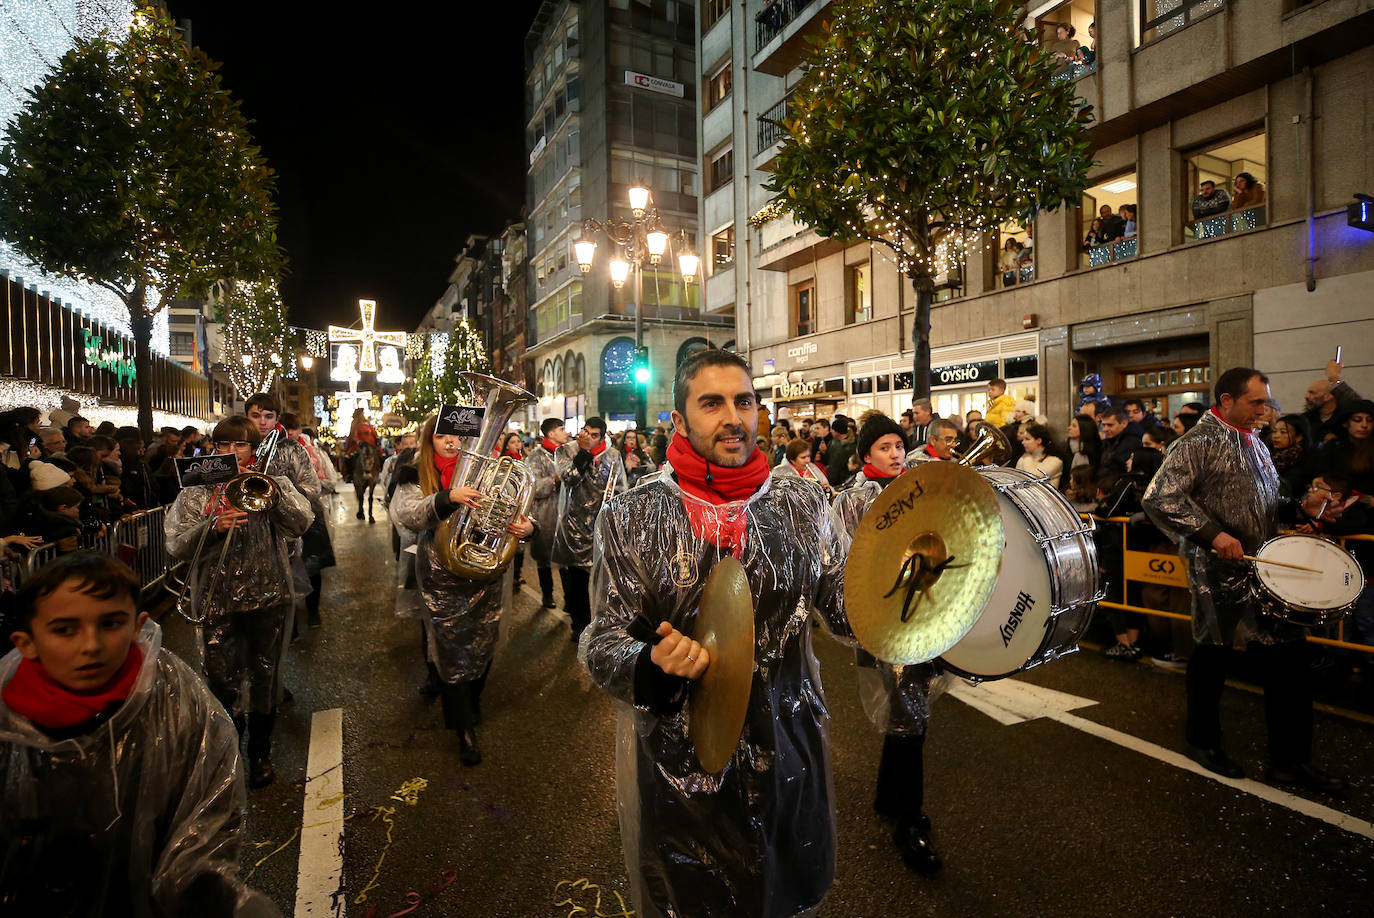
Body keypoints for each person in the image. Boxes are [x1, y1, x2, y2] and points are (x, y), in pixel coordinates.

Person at [581, 349, 854, 917]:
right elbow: (601, 639)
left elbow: (848, 608)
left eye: (745, 401)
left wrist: (912, 597)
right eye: (713, 403)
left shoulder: (803, 503)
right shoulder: (634, 516)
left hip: (790, 749)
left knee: (786, 892)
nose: (734, 417)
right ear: (679, 421)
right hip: (685, 768)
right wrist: (651, 664)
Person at [0, 552, 277, 914]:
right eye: (65, 630)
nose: (91, 646)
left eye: (111, 624)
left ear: (137, 625)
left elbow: (204, 827)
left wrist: (211, 897)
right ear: (26, 642)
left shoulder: (178, 703)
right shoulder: (10, 728)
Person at [1142, 367, 1347, 793]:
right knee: (1212, 655)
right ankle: (1202, 741)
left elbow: (1266, 502)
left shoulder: (1254, 442)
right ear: (1228, 400)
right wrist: (1213, 535)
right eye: (1257, 402)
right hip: (1216, 569)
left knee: (1289, 659)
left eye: (1267, 401)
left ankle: (1290, 760)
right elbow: (1159, 497)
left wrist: (1301, 506)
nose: (1266, 410)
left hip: (1264, 564)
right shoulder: (1195, 442)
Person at [165, 416, 313, 788]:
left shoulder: (272, 481)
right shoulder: (197, 491)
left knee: (266, 677)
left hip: (270, 597)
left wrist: (274, 497)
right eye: (223, 446)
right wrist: (211, 527)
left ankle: (260, 753)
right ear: (213, 449)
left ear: (253, 447)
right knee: (221, 681)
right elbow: (175, 544)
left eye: (240, 445)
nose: (231, 453)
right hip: (218, 600)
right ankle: (227, 754)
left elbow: (302, 523)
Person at [832, 413, 944, 875]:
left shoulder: (915, 486)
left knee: (908, 709)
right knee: (910, 713)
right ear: (865, 455)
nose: (896, 453)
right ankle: (908, 819)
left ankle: (887, 796)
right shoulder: (854, 498)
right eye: (884, 447)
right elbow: (841, 562)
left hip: (923, 609)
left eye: (899, 445)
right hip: (885, 619)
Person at [390, 414, 535, 766]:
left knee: (484, 642)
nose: (451, 442)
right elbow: (407, 514)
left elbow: (513, 506)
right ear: (430, 441)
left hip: (485, 570)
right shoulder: (413, 471)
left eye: (457, 436)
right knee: (451, 648)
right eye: (442, 436)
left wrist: (529, 526)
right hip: (441, 574)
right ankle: (462, 728)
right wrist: (448, 496)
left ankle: (473, 699)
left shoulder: (489, 471)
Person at [552, 417, 625, 643]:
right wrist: (584, 453)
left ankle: (605, 623)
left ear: (602, 437)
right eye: (586, 432)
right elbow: (569, 479)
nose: (589, 438)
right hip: (574, 525)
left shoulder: (612, 456)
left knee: (605, 578)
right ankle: (579, 622)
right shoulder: (566, 451)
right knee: (577, 580)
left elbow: (620, 487)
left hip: (601, 524)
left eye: (594, 435)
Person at [282, 413, 335, 629]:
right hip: (283, 520)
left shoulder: (313, 453)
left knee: (312, 565)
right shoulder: (269, 453)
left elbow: (329, 481)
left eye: (293, 429)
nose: (290, 433)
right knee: (285, 572)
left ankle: (313, 610)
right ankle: (291, 622)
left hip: (310, 515)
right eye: (286, 429)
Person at [527, 418, 568, 609]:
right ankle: (547, 595)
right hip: (545, 515)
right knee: (544, 561)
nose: (565, 432)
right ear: (551, 434)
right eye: (561, 429)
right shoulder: (536, 457)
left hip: (566, 514)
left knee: (567, 561)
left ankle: (570, 601)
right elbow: (533, 487)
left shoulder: (567, 452)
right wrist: (555, 479)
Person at [1302, 359, 1363, 444]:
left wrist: (1334, 378)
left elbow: (1362, 405)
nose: (1306, 396)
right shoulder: (1305, 420)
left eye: (1312, 393)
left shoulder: (1346, 418)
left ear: (1328, 396)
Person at [1016, 422, 1065, 488]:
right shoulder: (1023, 458)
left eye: (1027, 439)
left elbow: (1032, 478)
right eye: (1023, 439)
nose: (1023, 442)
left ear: (1039, 440)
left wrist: (1028, 458)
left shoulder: (1055, 461)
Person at [1098, 408, 1143, 478]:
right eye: (1103, 425)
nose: (1105, 429)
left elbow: (1117, 469)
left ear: (1124, 423)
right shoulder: (1109, 440)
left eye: (1110, 425)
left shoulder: (1132, 442)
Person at [825, 415, 857, 487]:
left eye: (832, 429)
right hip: (834, 478)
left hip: (843, 480)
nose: (831, 431)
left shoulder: (850, 445)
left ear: (837, 431)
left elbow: (836, 464)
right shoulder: (833, 442)